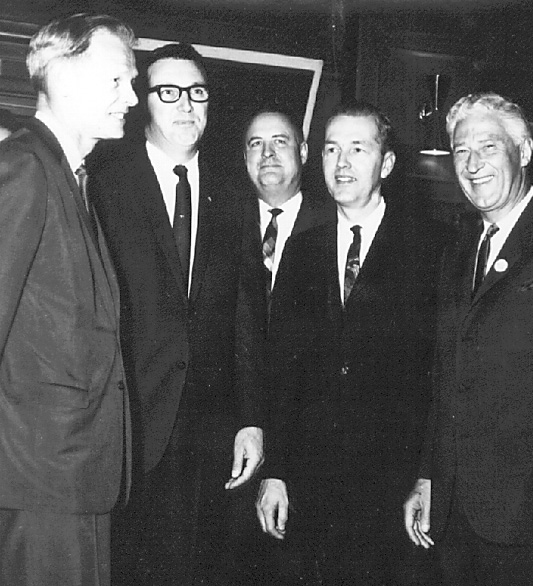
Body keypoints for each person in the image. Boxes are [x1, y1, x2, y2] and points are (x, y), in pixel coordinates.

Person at [89, 43, 264, 585]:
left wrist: (253, 419)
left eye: (197, 93)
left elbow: (247, 313)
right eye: (169, 92)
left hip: (211, 430)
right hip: (128, 422)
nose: (186, 105)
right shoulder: (105, 179)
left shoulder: (235, 192)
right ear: (144, 101)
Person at [256, 102, 450, 585]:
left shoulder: (432, 248)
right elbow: (280, 370)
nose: (341, 164)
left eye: (357, 149)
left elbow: (443, 373)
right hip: (310, 486)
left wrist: (427, 476)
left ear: (385, 163)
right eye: (330, 149)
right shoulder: (300, 251)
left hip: (393, 486)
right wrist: (275, 471)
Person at [404, 92, 533, 586]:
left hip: (530, 516)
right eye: (461, 151)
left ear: (523, 150)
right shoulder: (459, 250)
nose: (473, 165)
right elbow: (447, 374)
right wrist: (429, 475)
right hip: (456, 512)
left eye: (488, 147)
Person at [0, 13, 137, 585]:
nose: (132, 97)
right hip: (41, 483)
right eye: (117, 81)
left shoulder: (71, 177)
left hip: (75, 480)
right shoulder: (23, 168)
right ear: (60, 74)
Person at [243, 109, 333, 308]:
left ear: (302, 153)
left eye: (279, 141)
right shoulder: (224, 228)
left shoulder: (332, 225)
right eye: (256, 144)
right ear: (245, 157)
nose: (267, 152)